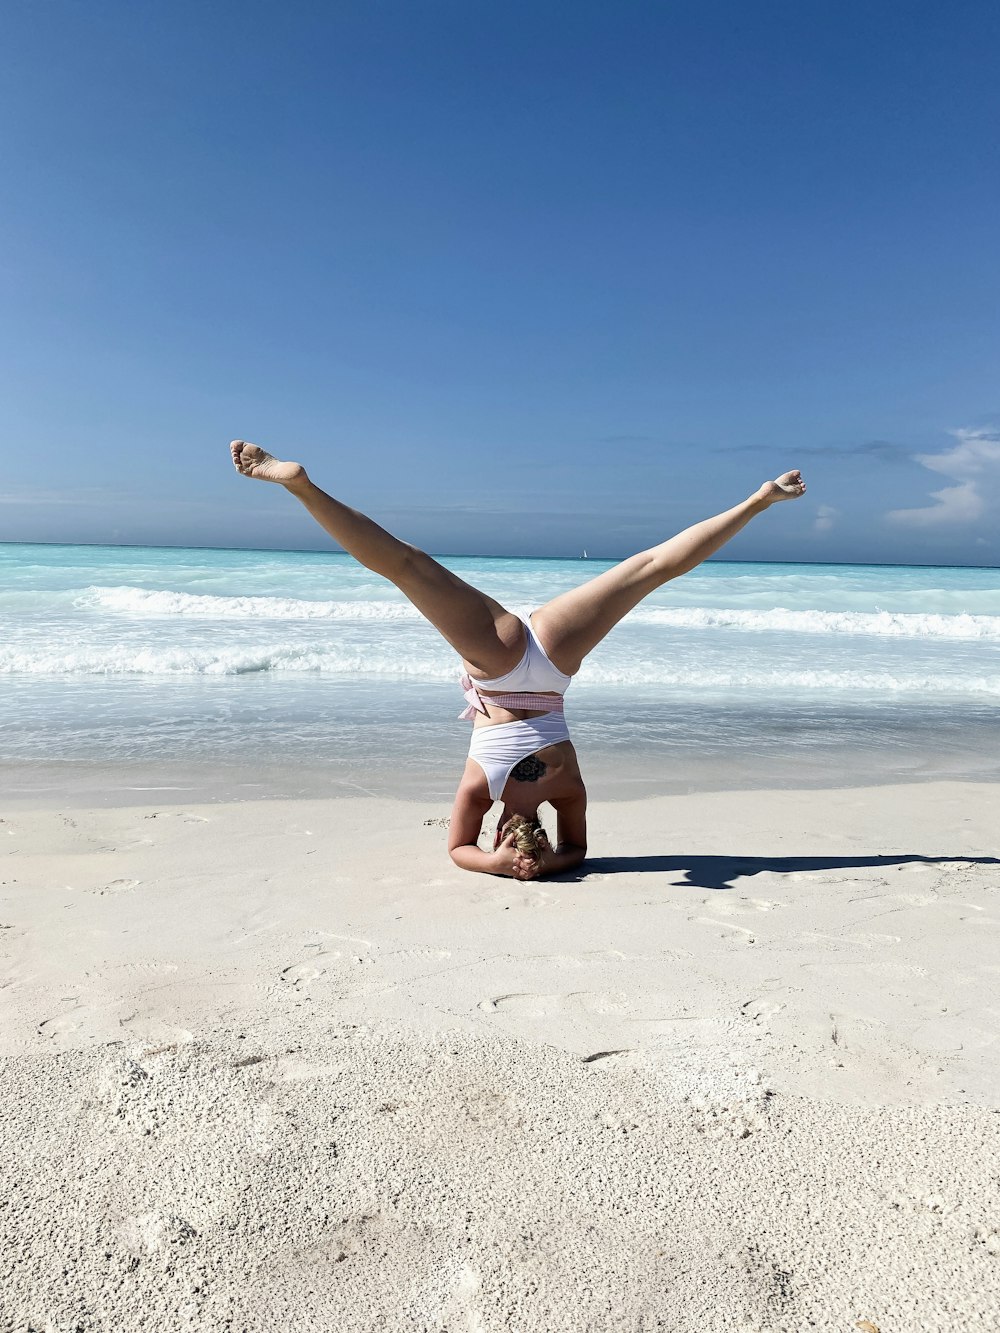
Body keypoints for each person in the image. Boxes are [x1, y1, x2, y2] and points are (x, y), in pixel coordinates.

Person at [230, 441, 806, 881]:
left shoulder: (566, 791)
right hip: (501, 669)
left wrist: (546, 863)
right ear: (503, 827)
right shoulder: (482, 791)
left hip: (553, 666)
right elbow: (458, 850)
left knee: (651, 567)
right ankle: (301, 488)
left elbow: (577, 851)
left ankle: (761, 498)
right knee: (405, 567)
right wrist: (494, 864)